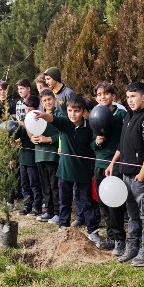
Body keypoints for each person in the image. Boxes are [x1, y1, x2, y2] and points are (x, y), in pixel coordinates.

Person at [33, 95, 100, 243]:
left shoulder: (90, 126)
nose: (72, 114)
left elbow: (94, 145)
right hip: (65, 171)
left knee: (87, 201)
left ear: (83, 111)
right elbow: (52, 119)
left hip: (84, 172)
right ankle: (63, 227)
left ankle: (93, 231)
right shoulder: (64, 123)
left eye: (76, 111)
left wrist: (98, 141)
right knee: (64, 200)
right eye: (70, 110)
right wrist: (43, 115)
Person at [106, 81, 144, 265]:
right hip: (125, 174)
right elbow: (121, 145)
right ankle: (132, 246)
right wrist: (113, 163)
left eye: (133, 96)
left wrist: (143, 172)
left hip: (139, 176)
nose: (130, 100)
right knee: (132, 214)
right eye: (128, 97)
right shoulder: (128, 117)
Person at [91, 81, 127, 252]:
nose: (102, 97)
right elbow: (92, 145)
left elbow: (123, 141)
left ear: (113, 96)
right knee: (103, 203)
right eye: (99, 95)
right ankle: (111, 237)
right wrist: (97, 142)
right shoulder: (95, 114)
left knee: (115, 204)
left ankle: (120, 239)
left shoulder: (120, 115)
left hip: (115, 165)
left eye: (106, 93)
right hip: (99, 163)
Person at [31, 88, 60, 224]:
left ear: (54, 99)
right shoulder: (37, 117)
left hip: (53, 156)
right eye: (44, 101)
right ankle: (49, 211)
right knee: (45, 185)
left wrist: (48, 139)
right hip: (39, 155)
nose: (47, 102)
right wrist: (32, 139)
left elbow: (62, 135)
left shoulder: (59, 115)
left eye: (49, 99)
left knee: (55, 185)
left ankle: (58, 212)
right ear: (41, 103)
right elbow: (30, 129)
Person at [16, 95, 42, 216]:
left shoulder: (39, 121)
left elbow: (33, 137)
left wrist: (26, 125)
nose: (28, 111)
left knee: (34, 183)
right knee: (24, 183)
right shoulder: (22, 122)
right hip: (23, 157)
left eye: (30, 109)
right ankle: (27, 205)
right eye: (26, 109)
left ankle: (37, 207)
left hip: (33, 158)